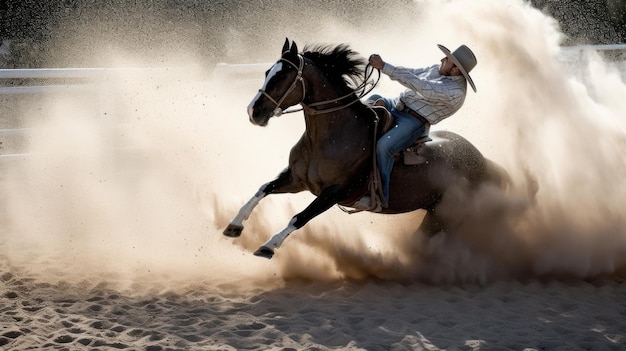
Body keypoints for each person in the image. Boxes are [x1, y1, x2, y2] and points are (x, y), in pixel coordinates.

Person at [354, 44, 477, 212]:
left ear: (455, 70)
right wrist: (386, 67)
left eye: (447, 59)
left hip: (413, 121)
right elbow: (412, 73)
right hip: (396, 104)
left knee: (385, 147)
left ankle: (379, 197)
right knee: (367, 103)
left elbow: (422, 86)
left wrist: (384, 67)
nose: (442, 59)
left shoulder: (456, 93)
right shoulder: (437, 68)